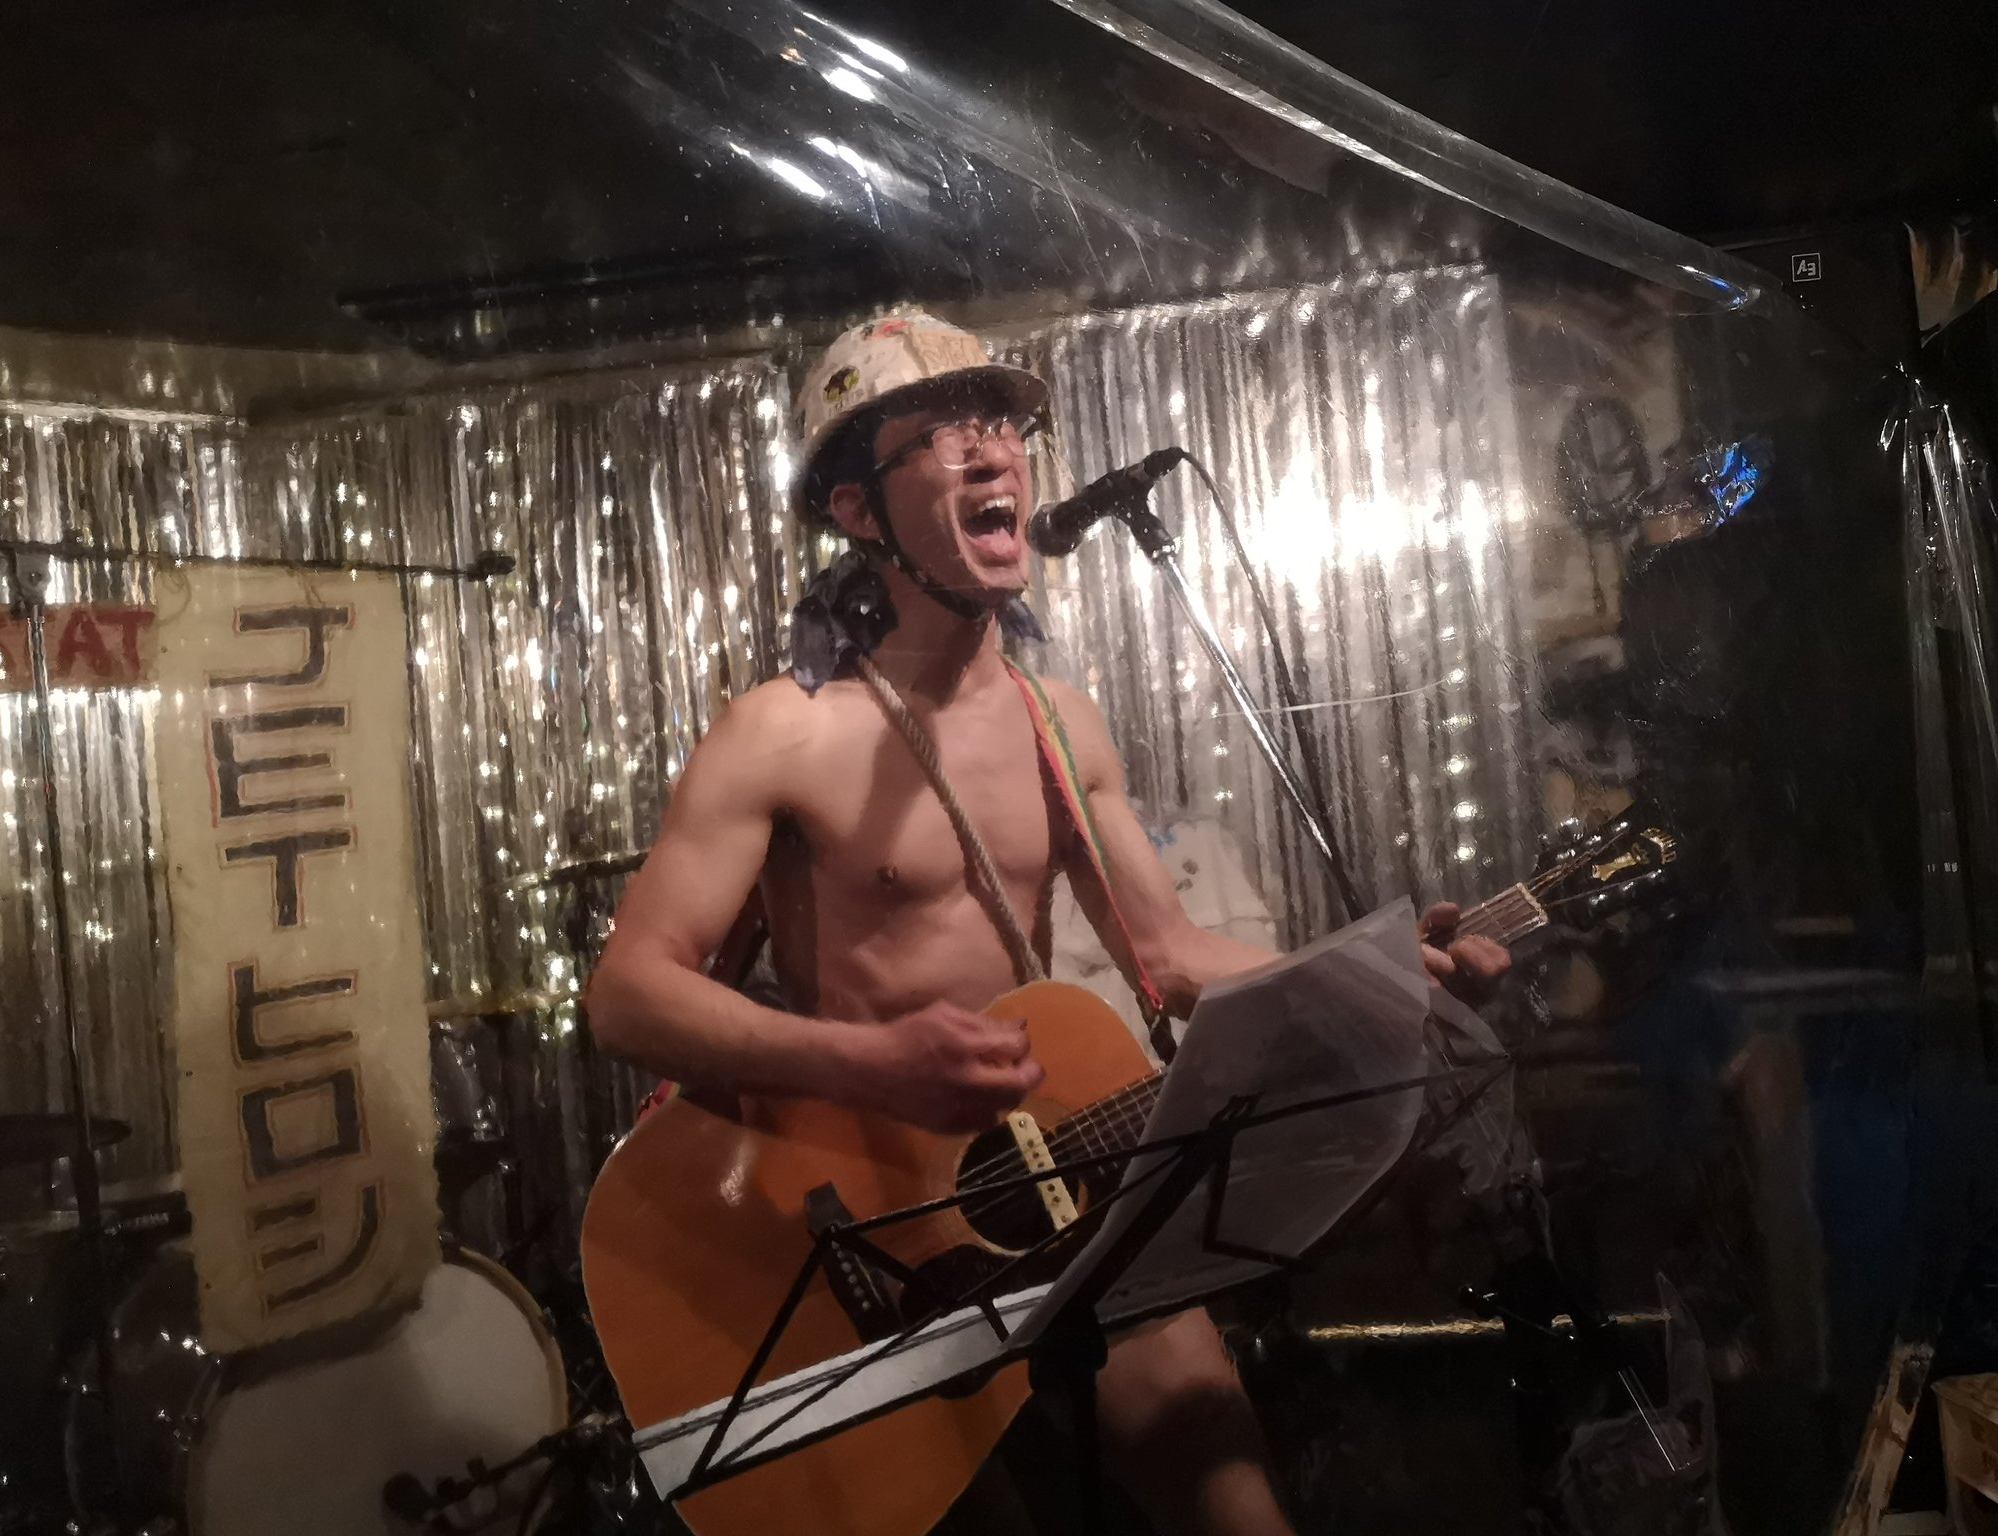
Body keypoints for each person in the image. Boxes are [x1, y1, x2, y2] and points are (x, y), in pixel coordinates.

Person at [584, 311, 1511, 1536]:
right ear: (857, 511)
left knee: (1241, 1515)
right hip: (872, 1247)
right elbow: (627, 994)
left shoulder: (1058, 722)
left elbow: (1169, 959)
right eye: (940, 436)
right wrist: (870, 1060)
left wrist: (1385, 976)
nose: (991, 452)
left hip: (1066, 1198)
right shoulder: (780, 732)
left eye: (1000, 425)